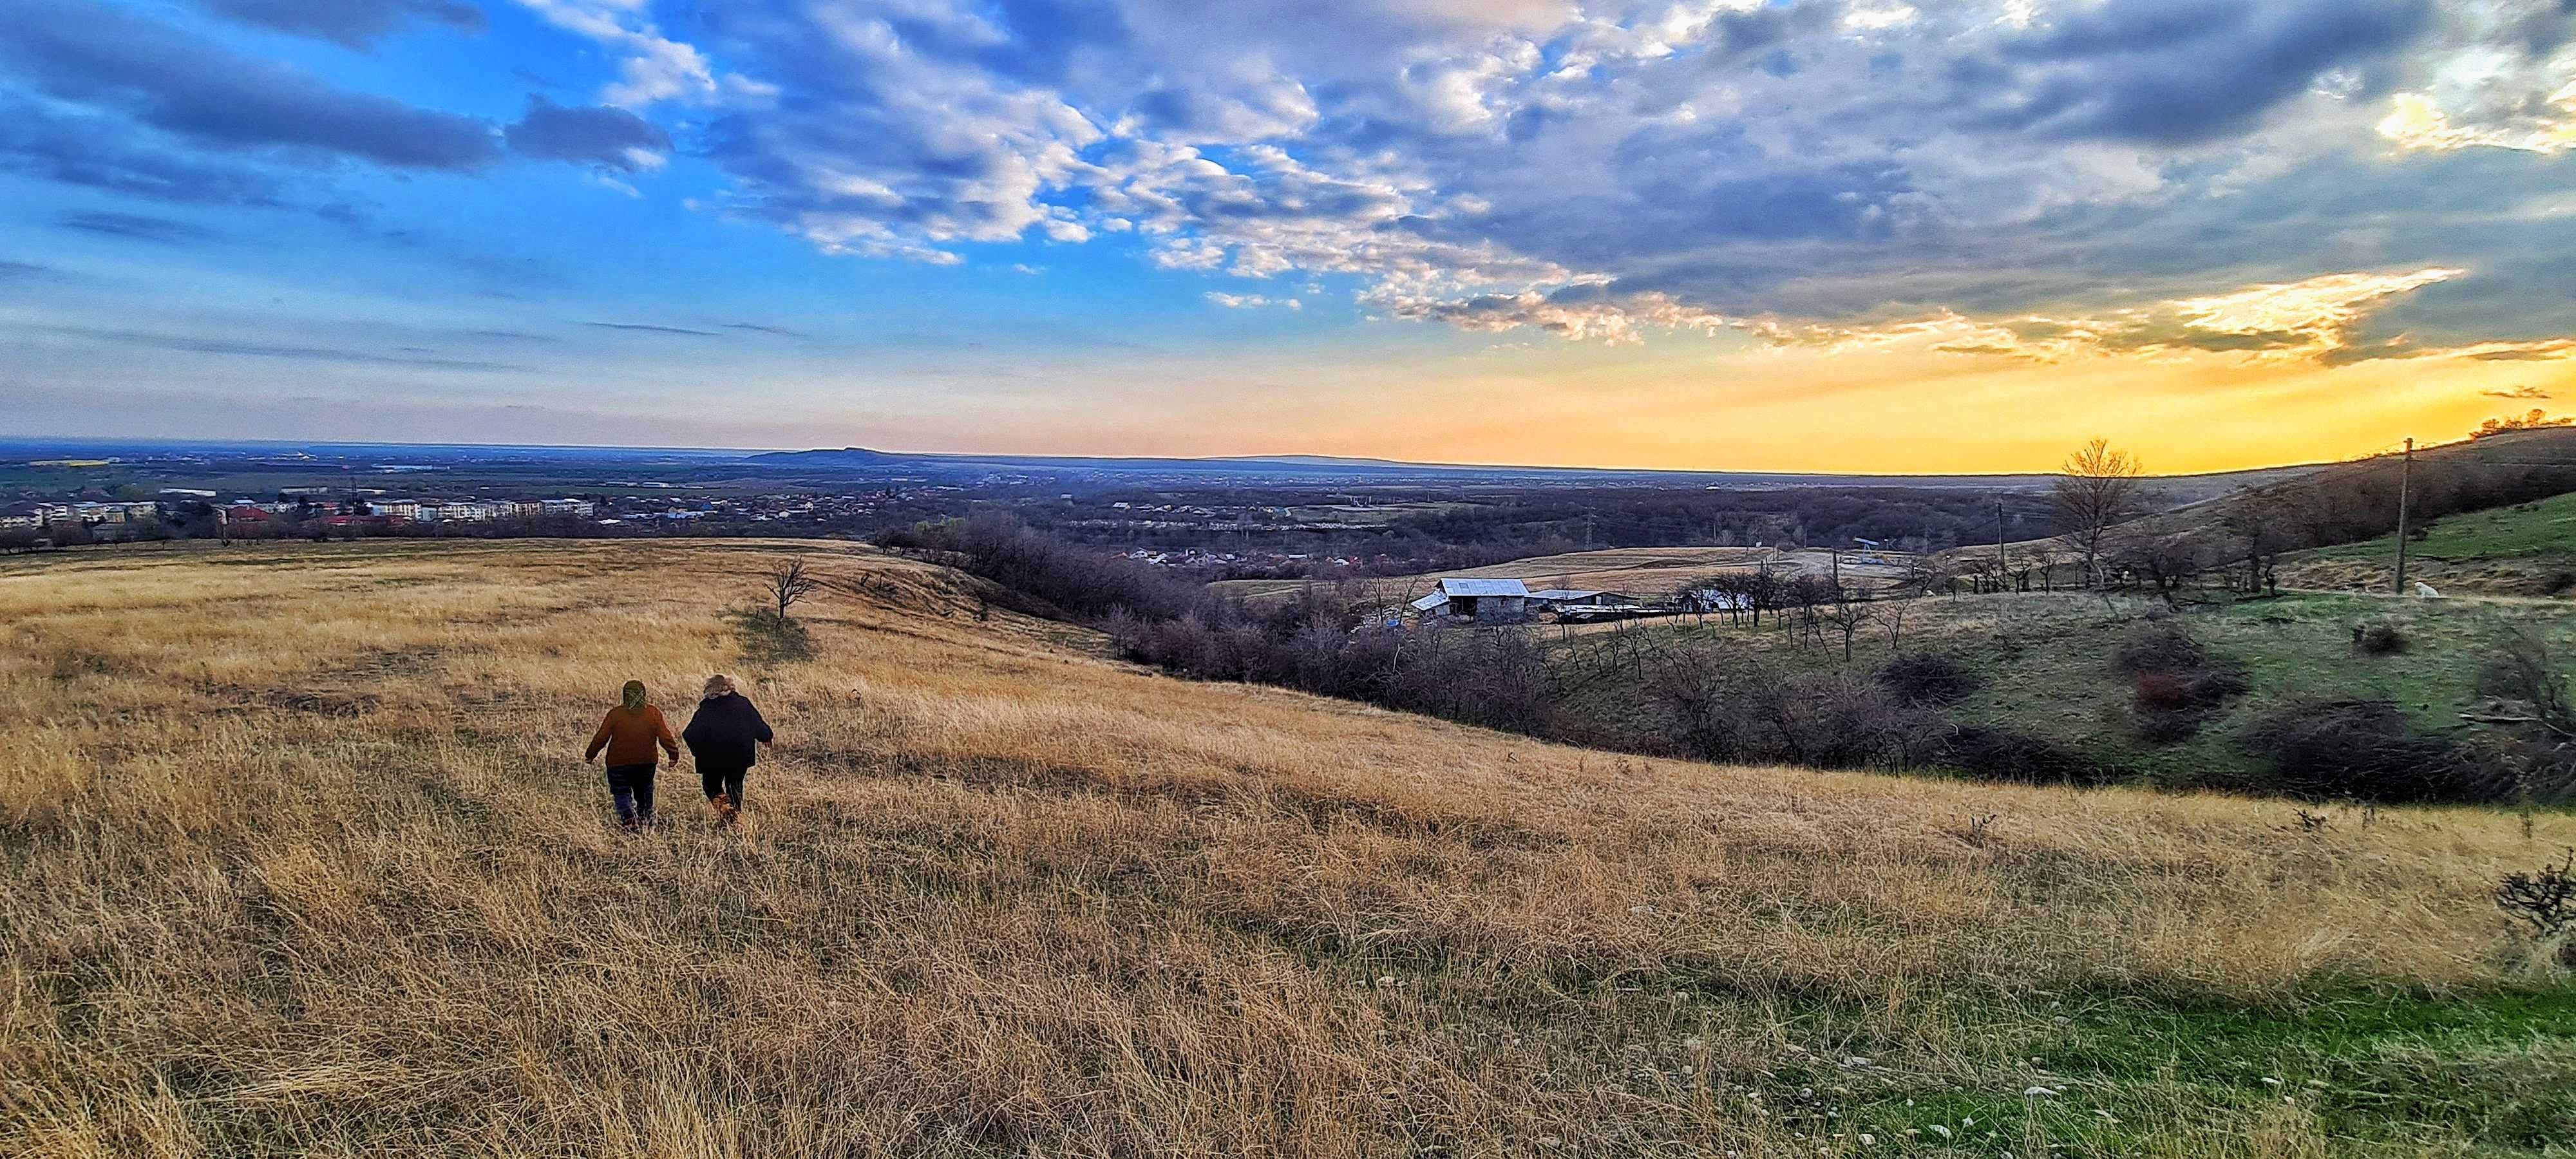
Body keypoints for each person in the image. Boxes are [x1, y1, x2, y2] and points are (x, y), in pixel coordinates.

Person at [585, 680, 679, 831]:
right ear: (644, 695)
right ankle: (647, 822)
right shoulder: (653, 713)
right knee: (645, 793)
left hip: (618, 764)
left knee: (621, 792)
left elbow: (601, 737)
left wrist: (590, 755)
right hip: (646, 763)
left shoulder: (616, 714)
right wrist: (673, 755)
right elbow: (665, 736)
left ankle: (629, 819)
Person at [682, 674, 772, 825]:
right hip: (740, 756)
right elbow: (757, 724)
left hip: (712, 759)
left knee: (711, 786)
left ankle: (726, 809)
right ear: (731, 688)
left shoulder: (706, 710)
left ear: (710, 690)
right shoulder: (743, 704)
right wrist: (766, 737)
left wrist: (698, 752)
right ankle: (735, 816)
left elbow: (690, 734)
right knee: (735, 785)